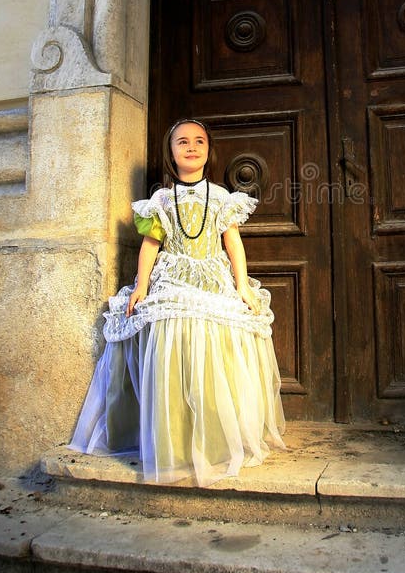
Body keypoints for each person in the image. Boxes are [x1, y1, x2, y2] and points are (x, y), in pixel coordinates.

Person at [69, 118, 286, 486]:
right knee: (170, 335)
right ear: (170, 153)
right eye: (182, 142)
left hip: (212, 276)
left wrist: (242, 285)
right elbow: (151, 244)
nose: (191, 147)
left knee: (215, 343)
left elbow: (232, 242)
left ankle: (215, 436)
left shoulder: (220, 197)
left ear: (208, 149)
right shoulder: (161, 200)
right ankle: (172, 436)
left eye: (199, 141)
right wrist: (140, 286)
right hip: (172, 276)